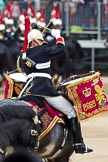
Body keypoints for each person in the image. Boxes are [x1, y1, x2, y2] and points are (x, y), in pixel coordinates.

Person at [19, 21, 93, 154]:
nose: (42, 43)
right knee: (71, 112)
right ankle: (78, 143)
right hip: (45, 90)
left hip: (28, 89)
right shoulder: (43, 50)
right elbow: (60, 49)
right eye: (40, 41)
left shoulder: (23, 55)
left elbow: (23, 68)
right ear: (35, 41)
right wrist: (58, 36)